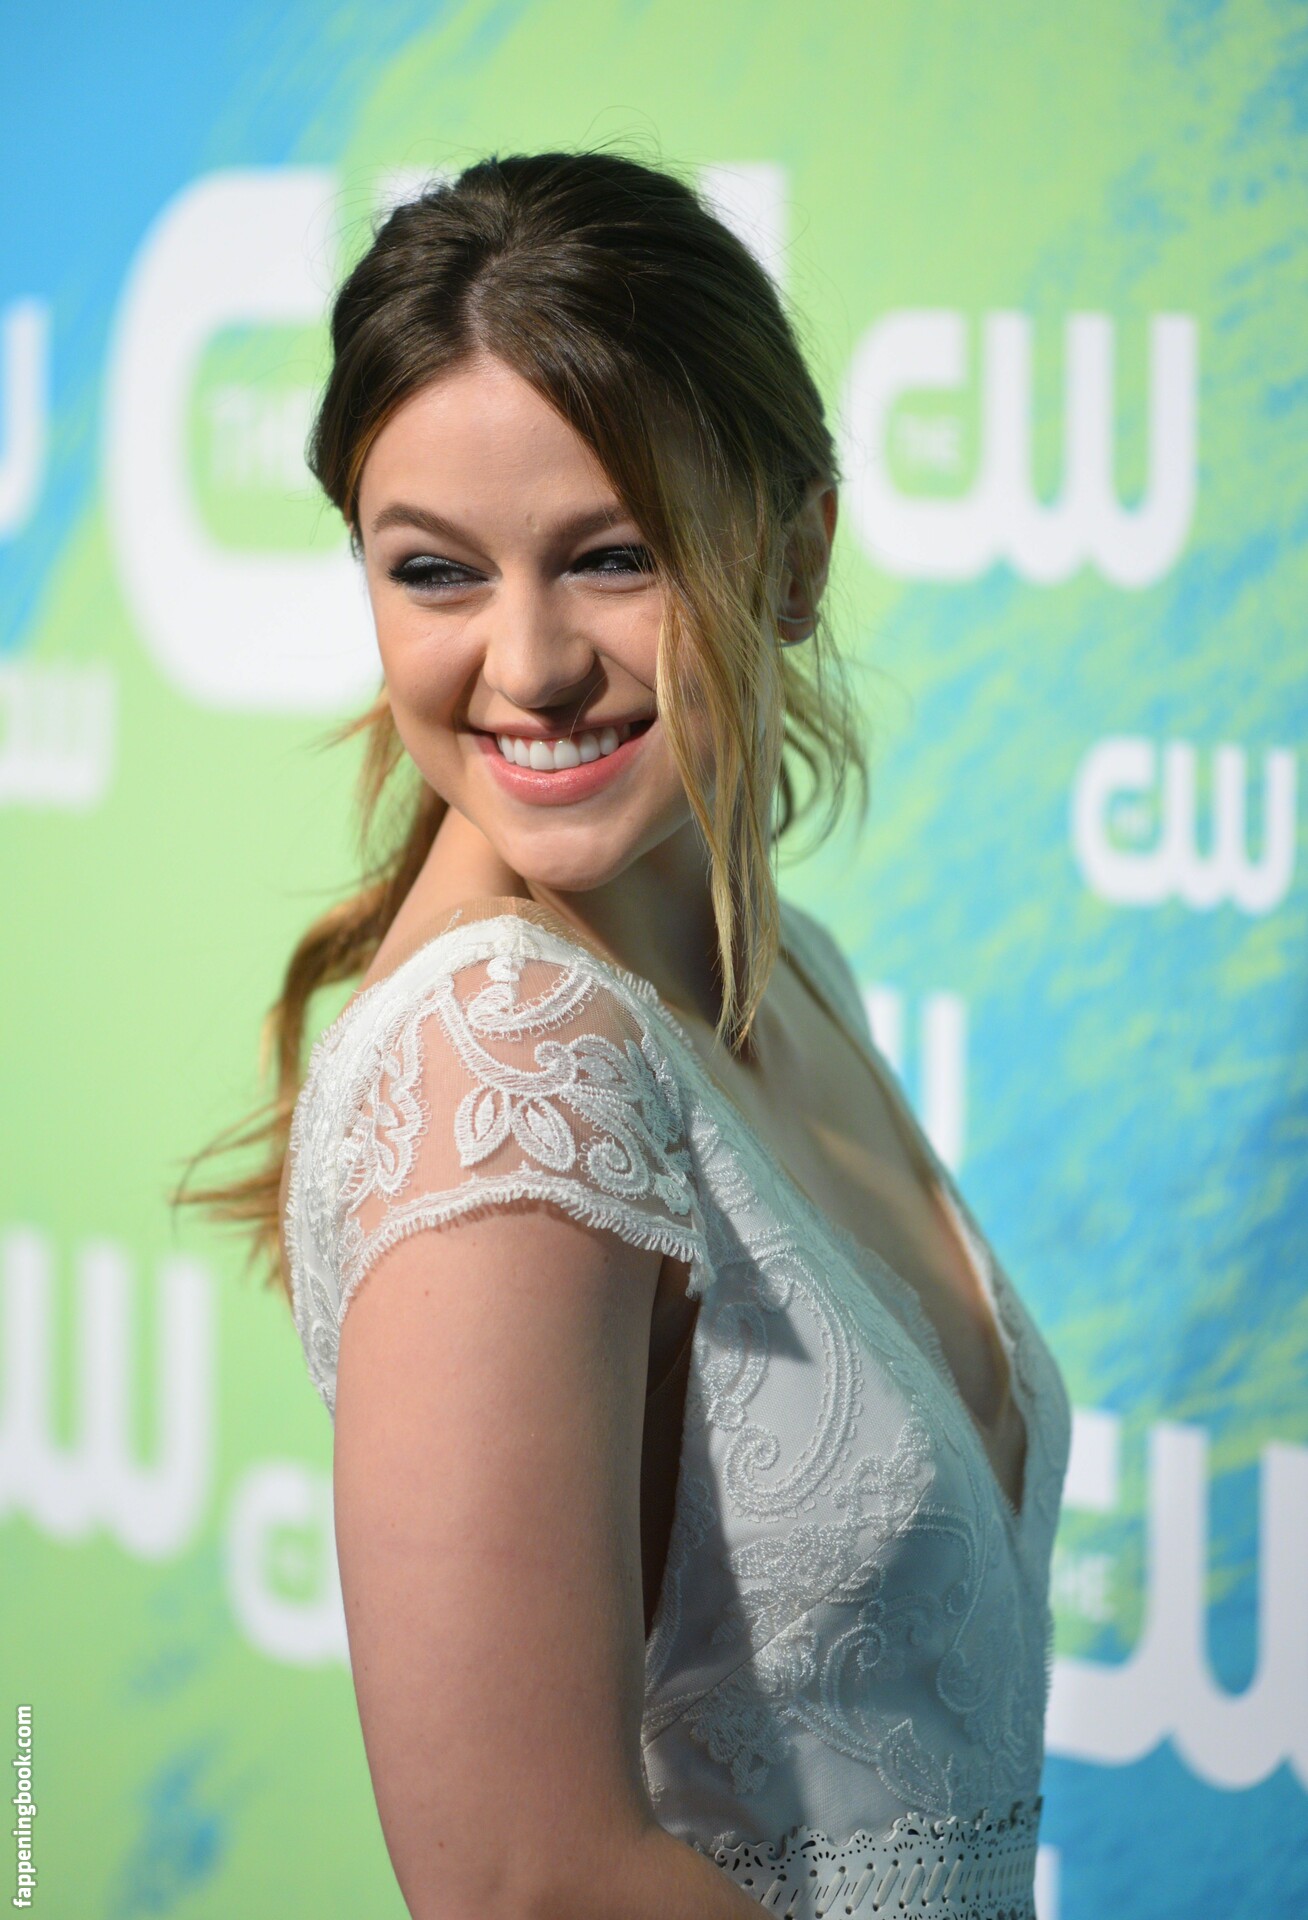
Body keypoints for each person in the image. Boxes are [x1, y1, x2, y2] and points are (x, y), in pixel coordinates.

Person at [177, 150, 1071, 1919]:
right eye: (435, 573)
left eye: (611, 557)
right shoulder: (498, 1050)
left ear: (796, 554)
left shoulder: (790, 970)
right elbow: (527, 1883)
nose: (527, 663)